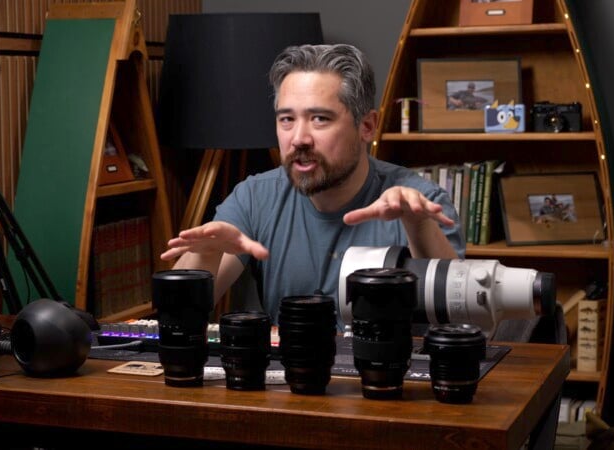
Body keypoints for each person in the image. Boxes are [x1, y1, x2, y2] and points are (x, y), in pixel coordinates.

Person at [161, 44, 465, 324]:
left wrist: (418, 225)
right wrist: (208, 252)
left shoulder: (418, 203)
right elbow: (174, 318)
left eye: (319, 118)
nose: (298, 139)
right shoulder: (254, 198)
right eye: (287, 119)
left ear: (367, 126)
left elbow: (461, 318)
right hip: (288, 380)